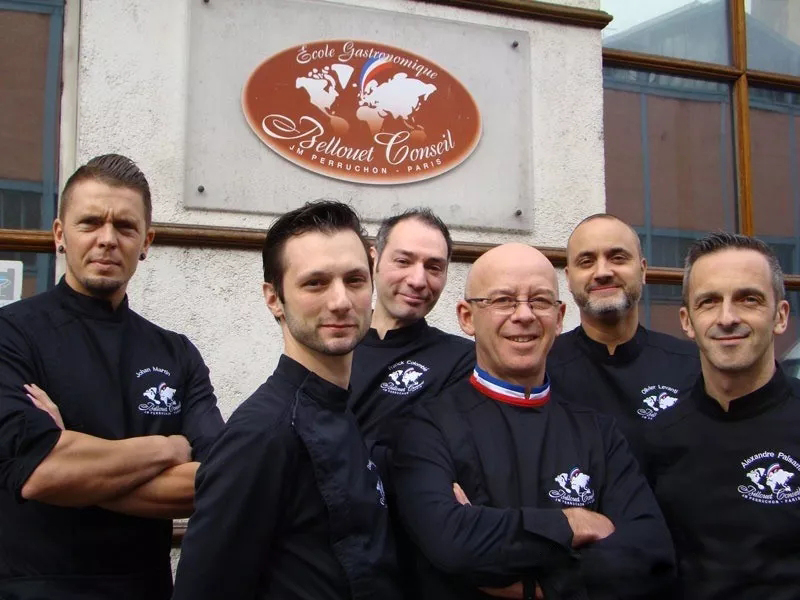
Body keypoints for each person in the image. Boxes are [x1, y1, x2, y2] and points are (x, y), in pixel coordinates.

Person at [392, 242, 675, 600]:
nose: (524, 315)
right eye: (503, 300)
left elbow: (650, 555)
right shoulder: (425, 427)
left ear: (559, 317)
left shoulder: (598, 433)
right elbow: (452, 543)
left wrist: (542, 586)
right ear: (466, 317)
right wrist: (573, 522)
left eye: (539, 301)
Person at [0, 154, 224, 599]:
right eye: (89, 223)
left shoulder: (176, 353)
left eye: (124, 226)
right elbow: (39, 475)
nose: (107, 239)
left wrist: (72, 462)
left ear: (146, 241)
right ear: (60, 234)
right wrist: (167, 447)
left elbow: (216, 480)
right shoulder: (11, 335)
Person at [173, 200, 401, 600]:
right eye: (315, 283)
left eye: (354, 280)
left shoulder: (341, 407)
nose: (340, 301)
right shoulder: (260, 435)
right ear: (274, 298)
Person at [646, 232, 800, 599]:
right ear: (687, 321)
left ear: (780, 316)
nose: (727, 318)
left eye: (749, 299)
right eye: (709, 302)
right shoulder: (657, 438)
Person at [548, 214, 699, 461]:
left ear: (643, 270)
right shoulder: (542, 369)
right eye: (586, 262)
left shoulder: (693, 366)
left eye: (617, 258)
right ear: (568, 278)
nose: (602, 272)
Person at [348, 208, 474, 453]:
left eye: (434, 267)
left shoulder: (462, 361)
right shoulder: (333, 343)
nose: (418, 280)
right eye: (403, 261)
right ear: (373, 261)